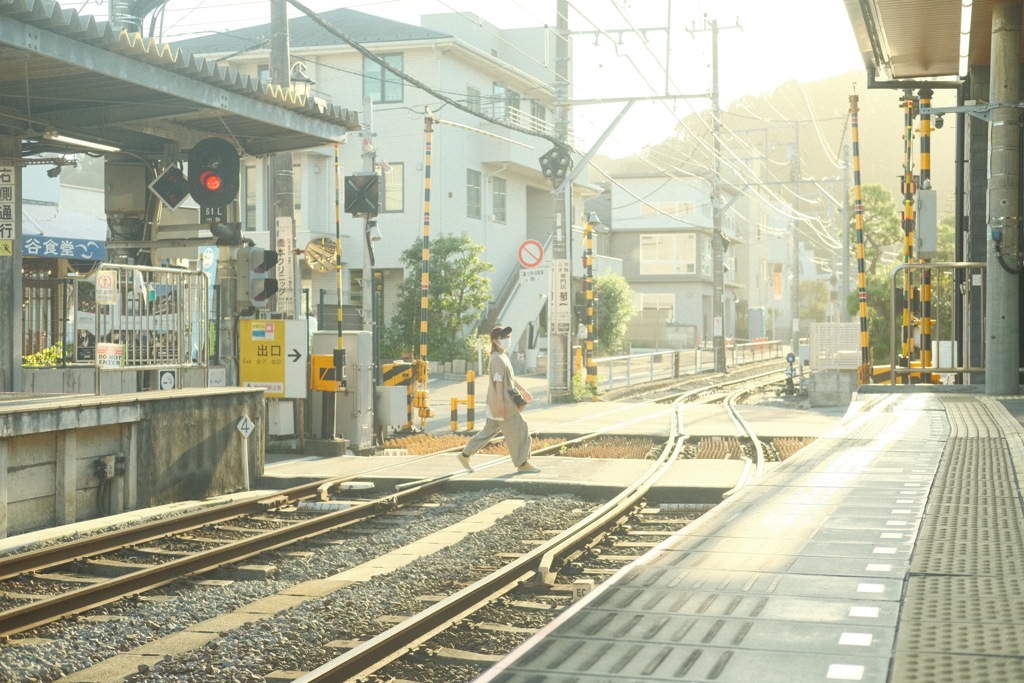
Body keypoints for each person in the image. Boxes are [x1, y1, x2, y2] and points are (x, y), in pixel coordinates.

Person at [457, 325, 540, 474]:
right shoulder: (496, 358)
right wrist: (500, 403)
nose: (507, 340)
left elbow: (511, 379)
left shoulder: (503, 357)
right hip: (503, 403)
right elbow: (498, 382)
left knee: (487, 432)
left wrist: (524, 391)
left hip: (500, 403)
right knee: (521, 429)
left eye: (508, 337)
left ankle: (465, 455)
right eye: (503, 337)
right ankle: (522, 463)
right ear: (495, 341)